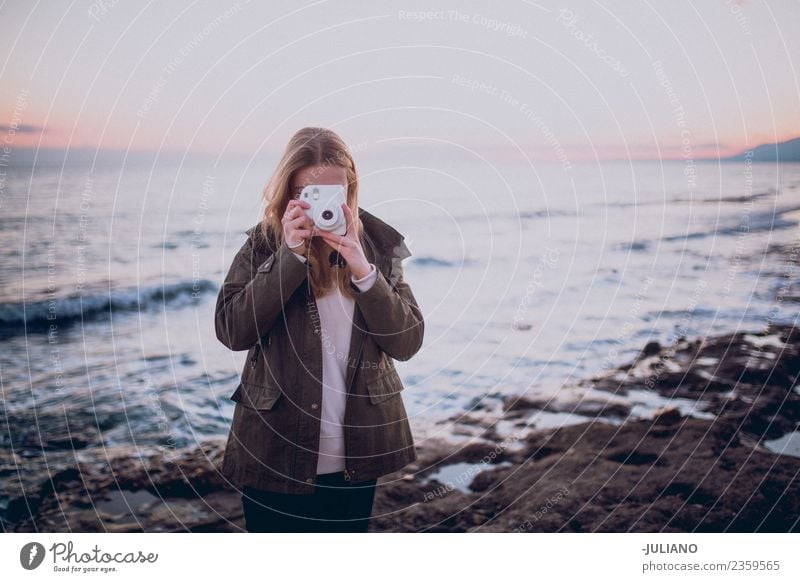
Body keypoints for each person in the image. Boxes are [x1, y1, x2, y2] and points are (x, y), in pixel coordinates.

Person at [215, 127, 425, 532]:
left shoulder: (378, 245)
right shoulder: (263, 245)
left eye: (335, 193)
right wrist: (289, 257)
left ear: (350, 190)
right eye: (307, 194)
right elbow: (231, 330)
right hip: (275, 450)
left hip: (357, 452)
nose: (323, 206)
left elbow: (407, 342)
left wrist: (364, 271)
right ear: (289, 192)